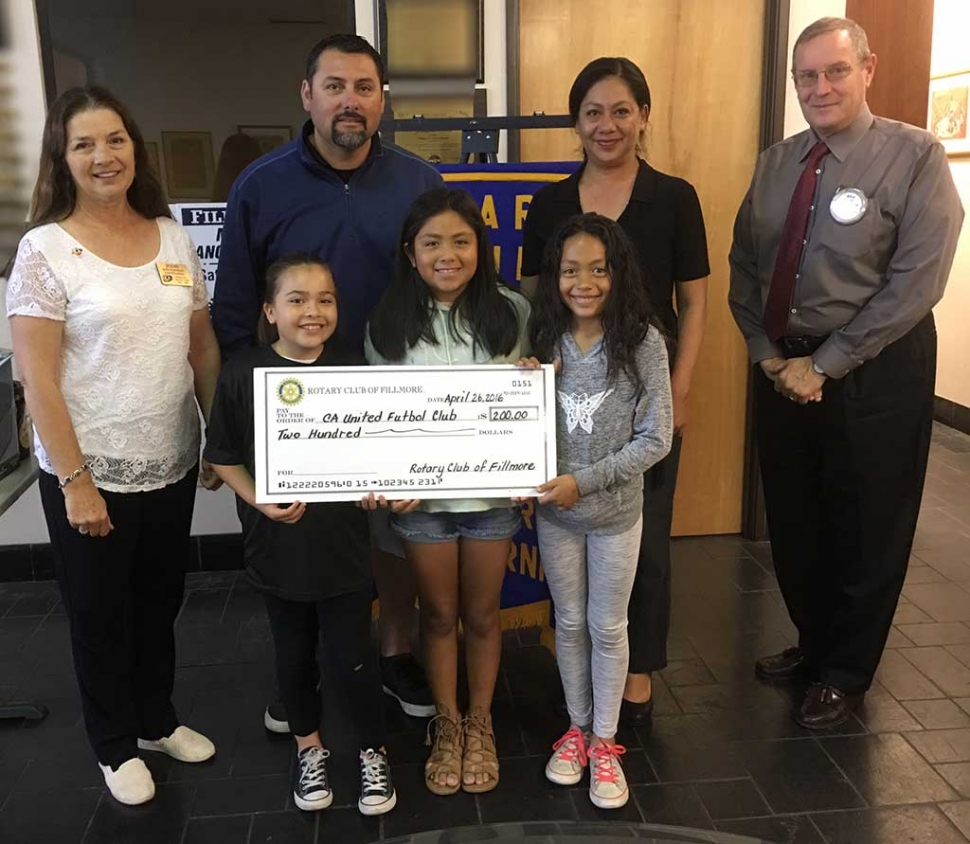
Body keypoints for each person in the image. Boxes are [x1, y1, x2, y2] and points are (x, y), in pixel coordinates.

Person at [728, 17, 964, 728]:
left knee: (868, 524)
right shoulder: (777, 162)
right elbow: (745, 263)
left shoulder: (916, 156)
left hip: (874, 368)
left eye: (834, 71)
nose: (819, 87)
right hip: (783, 365)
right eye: (806, 76)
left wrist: (826, 363)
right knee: (797, 519)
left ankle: (847, 670)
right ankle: (813, 643)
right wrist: (766, 352)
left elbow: (918, 280)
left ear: (868, 68)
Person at [211, 33, 443, 729]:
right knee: (303, 542)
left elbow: (447, 286)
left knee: (394, 532)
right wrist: (244, 420)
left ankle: (396, 651)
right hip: (296, 409)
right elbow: (233, 313)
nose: (350, 101)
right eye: (335, 86)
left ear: (382, 101)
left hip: (393, 394)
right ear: (306, 95)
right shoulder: (260, 184)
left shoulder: (419, 183)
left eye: (365, 88)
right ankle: (301, 676)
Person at [4, 86, 222, 805]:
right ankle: (113, 742)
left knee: (158, 602)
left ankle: (157, 720)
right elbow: (38, 382)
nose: (104, 156)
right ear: (62, 160)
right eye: (84, 144)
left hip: (170, 458)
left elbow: (200, 345)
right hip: (89, 468)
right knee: (100, 614)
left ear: (136, 148)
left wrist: (215, 435)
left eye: (116, 140)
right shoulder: (45, 249)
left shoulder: (170, 236)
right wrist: (75, 481)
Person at [520, 57, 709, 725]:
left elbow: (694, 300)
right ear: (576, 121)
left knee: (647, 539)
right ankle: (580, 672)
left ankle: (636, 667)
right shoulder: (549, 204)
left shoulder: (675, 196)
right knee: (569, 533)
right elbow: (534, 304)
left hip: (645, 397)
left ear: (644, 117)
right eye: (593, 112)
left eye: (621, 110)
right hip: (570, 399)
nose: (607, 125)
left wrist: (680, 389)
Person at [204, 254, 396, 816]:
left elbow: (376, 455)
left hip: (344, 552)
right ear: (269, 310)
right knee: (292, 657)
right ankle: (308, 748)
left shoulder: (354, 370)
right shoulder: (244, 372)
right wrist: (259, 497)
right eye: (297, 299)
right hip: (277, 550)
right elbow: (223, 457)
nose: (313, 311)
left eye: (325, 299)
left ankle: (371, 752)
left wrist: (379, 486)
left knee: (354, 656)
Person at [363, 188, 531, 795]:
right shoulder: (386, 321)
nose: (448, 254)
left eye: (461, 241)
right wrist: (388, 480)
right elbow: (380, 418)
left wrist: (530, 401)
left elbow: (525, 406)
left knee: (483, 614)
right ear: (411, 253)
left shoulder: (511, 310)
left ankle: (480, 724)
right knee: (436, 615)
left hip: (491, 502)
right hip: (423, 508)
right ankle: (448, 722)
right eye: (432, 242)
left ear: (479, 248)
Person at [522, 213, 672, 809]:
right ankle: (577, 731)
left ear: (618, 273)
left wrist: (581, 484)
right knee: (569, 623)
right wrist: (521, 389)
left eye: (598, 269)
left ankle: (606, 743)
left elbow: (655, 438)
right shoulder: (543, 341)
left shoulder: (643, 342)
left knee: (608, 627)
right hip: (555, 520)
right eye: (569, 270)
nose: (583, 282)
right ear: (554, 277)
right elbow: (522, 423)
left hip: (614, 517)